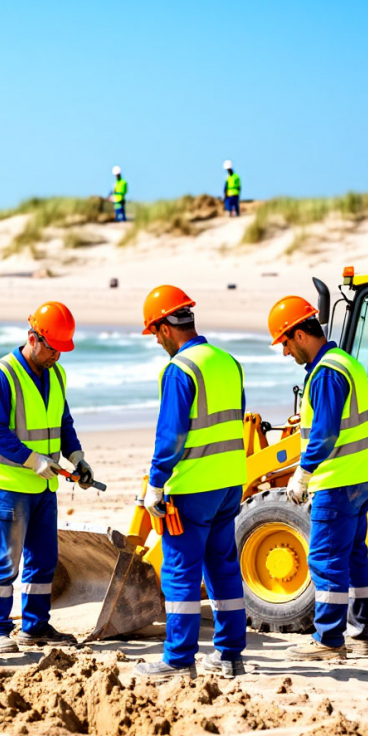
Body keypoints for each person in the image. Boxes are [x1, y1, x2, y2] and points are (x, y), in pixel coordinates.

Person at [133, 286, 248, 681]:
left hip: (192, 487)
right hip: (231, 482)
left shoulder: (180, 369)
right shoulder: (227, 362)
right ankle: (230, 656)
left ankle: (179, 661)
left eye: (156, 333)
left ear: (166, 327)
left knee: (181, 571)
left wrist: (156, 484)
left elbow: (171, 435)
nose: (158, 341)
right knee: (223, 569)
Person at [269, 297, 368, 660]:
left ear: (300, 335)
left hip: (339, 479)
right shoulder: (346, 362)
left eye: (286, 343)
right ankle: (362, 635)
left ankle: (330, 641)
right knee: (353, 555)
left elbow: (324, 433)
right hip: (363, 475)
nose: (286, 353)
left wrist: (302, 473)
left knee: (323, 558)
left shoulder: (326, 373)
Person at [0, 302, 95, 653]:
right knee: (5, 560)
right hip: (9, 486)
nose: (56, 356)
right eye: (52, 348)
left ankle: (35, 627)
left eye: (62, 350)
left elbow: (63, 423)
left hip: (45, 486)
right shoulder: (3, 375)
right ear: (33, 338)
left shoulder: (56, 374)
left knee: (43, 559)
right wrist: (33, 460)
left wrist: (76, 457)